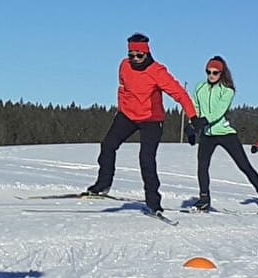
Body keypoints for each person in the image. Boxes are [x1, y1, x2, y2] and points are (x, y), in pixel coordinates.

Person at [85, 34, 201, 217]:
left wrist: (193, 118)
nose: (135, 59)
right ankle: (103, 184)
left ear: (147, 53)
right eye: (131, 55)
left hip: (151, 119)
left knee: (146, 159)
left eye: (139, 55)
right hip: (127, 115)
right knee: (108, 145)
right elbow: (123, 89)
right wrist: (122, 109)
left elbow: (180, 94)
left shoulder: (158, 72)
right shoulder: (124, 66)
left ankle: (153, 202)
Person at [188, 57, 258, 211]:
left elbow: (218, 111)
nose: (211, 75)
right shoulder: (199, 87)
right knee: (202, 166)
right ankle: (204, 199)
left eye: (215, 72)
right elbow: (194, 106)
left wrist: (202, 122)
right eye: (208, 72)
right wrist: (192, 124)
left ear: (221, 73)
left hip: (225, 133)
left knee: (243, 165)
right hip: (208, 134)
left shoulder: (228, 90)